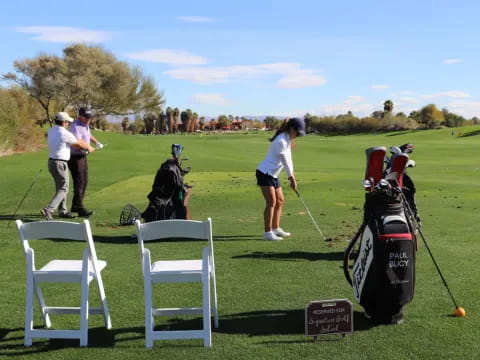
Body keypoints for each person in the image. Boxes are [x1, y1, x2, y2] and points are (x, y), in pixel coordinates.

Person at [256, 118, 305, 241]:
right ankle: (267, 233)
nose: (297, 135)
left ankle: (275, 228)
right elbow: (285, 161)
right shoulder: (281, 140)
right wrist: (291, 179)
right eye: (297, 132)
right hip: (264, 173)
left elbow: (289, 160)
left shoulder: (288, 139)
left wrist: (292, 175)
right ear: (291, 128)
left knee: (280, 200)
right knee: (271, 202)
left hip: (273, 175)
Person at [41, 112, 95, 221]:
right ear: (64, 122)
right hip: (60, 163)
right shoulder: (64, 132)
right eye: (67, 122)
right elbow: (78, 143)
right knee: (64, 188)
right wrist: (89, 147)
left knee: (60, 187)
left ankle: (63, 211)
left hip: (51, 162)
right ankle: (49, 209)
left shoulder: (51, 130)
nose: (68, 124)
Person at [68, 107, 104, 217]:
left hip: (82, 156)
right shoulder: (75, 126)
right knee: (80, 182)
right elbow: (75, 142)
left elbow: (88, 135)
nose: (89, 119)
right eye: (87, 117)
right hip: (75, 157)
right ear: (80, 116)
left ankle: (76, 205)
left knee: (84, 181)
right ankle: (79, 208)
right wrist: (88, 147)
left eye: (90, 117)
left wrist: (96, 142)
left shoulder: (85, 124)